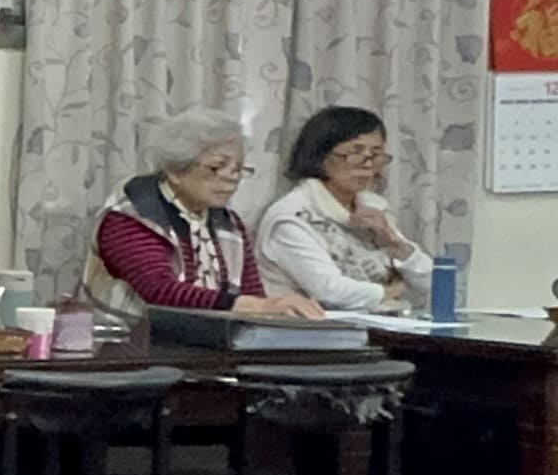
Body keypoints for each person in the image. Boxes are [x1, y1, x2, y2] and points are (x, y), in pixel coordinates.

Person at [89, 110, 328, 317]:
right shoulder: (131, 214)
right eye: (217, 167)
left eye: (238, 169)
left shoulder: (228, 222)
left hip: (204, 342)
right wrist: (255, 306)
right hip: (130, 341)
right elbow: (159, 290)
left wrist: (271, 308)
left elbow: (252, 293)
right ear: (175, 171)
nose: (231, 178)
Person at [256, 106, 433, 314]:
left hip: (386, 326)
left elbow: (432, 285)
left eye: (376, 155)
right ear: (320, 156)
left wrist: (394, 243)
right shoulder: (291, 216)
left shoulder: (373, 207)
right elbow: (330, 291)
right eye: (355, 153)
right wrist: (393, 291)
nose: (367, 164)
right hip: (315, 330)